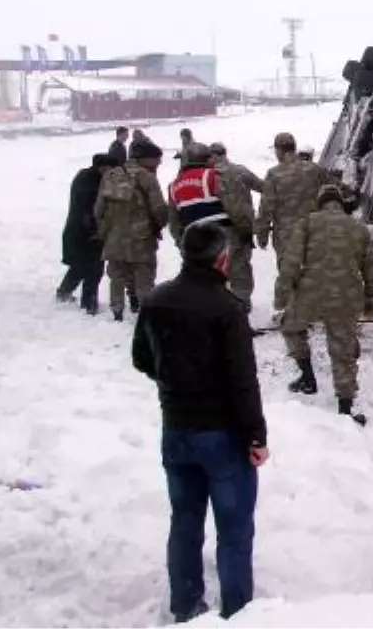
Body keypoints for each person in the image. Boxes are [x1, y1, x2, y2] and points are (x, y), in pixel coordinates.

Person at [131, 223, 268, 623]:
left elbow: (141, 358)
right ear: (222, 258)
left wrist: (175, 381)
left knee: (185, 521)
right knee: (234, 530)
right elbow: (243, 380)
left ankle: (186, 606)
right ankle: (238, 612)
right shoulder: (227, 308)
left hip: (175, 430)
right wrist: (256, 434)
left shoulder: (156, 299)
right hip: (223, 435)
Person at [275, 184, 373, 423]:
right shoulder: (358, 227)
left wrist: (281, 295)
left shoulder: (308, 222)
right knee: (343, 350)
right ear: (340, 203)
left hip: (310, 293)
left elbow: (291, 262)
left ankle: (307, 377)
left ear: (320, 202)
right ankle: (345, 407)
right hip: (347, 295)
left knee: (291, 327)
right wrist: (371, 301)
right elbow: (370, 269)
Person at [96, 139, 169, 321]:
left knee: (117, 276)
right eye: (156, 161)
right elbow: (159, 208)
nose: (158, 165)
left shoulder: (111, 175)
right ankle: (146, 313)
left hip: (114, 236)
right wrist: (160, 224)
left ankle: (117, 311)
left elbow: (98, 209)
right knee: (144, 276)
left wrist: (106, 228)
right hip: (141, 238)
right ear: (146, 159)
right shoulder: (147, 178)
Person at [57, 153, 118, 314]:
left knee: (80, 266)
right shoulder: (91, 182)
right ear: (103, 168)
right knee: (94, 269)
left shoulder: (84, 176)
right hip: (86, 232)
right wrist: (95, 232)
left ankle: (64, 292)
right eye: (111, 169)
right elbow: (88, 210)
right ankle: (89, 304)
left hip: (76, 230)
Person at [254, 132, 325, 269]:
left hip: (286, 238)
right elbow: (331, 194)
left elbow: (266, 208)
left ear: (279, 150)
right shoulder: (314, 169)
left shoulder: (274, 174)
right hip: (314, 234)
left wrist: (262, 235)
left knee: (289, 280)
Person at [209, 143, 259, 310]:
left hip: (215, 228)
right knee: (240, 265)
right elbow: (262, 186)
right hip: (240, 227)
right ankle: (242, 300)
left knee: (217, 265)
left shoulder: (206, 176)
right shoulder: (239, 171)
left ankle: (221, 301)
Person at [167, 143, 230, 245]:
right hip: (219, 232)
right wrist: (243, 229)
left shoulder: (173, 185)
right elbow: (232, 205)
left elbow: (174, 221)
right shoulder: (211, 175)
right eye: (210, 157)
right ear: (205, 160)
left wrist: (180, 242)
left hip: (193, 238)